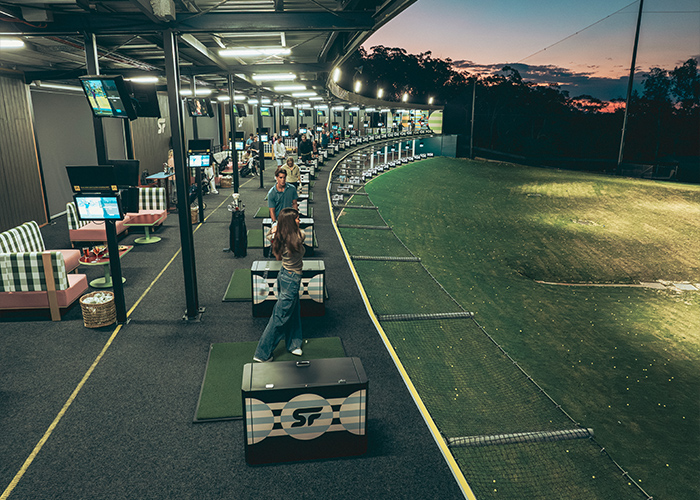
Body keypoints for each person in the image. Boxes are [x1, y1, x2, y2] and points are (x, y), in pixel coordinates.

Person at [253, 207, 305, 362]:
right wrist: (279, 226)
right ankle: (262, 354)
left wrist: (276, 226)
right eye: (296, 218)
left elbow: (270, 235)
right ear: (290, 223)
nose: (299, 220)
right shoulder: (298, 236)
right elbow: (298, 234)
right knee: (280, 316)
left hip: (284, 275)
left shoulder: (278, 237)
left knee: (293, 311)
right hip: (291, 279)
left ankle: (294, 344)